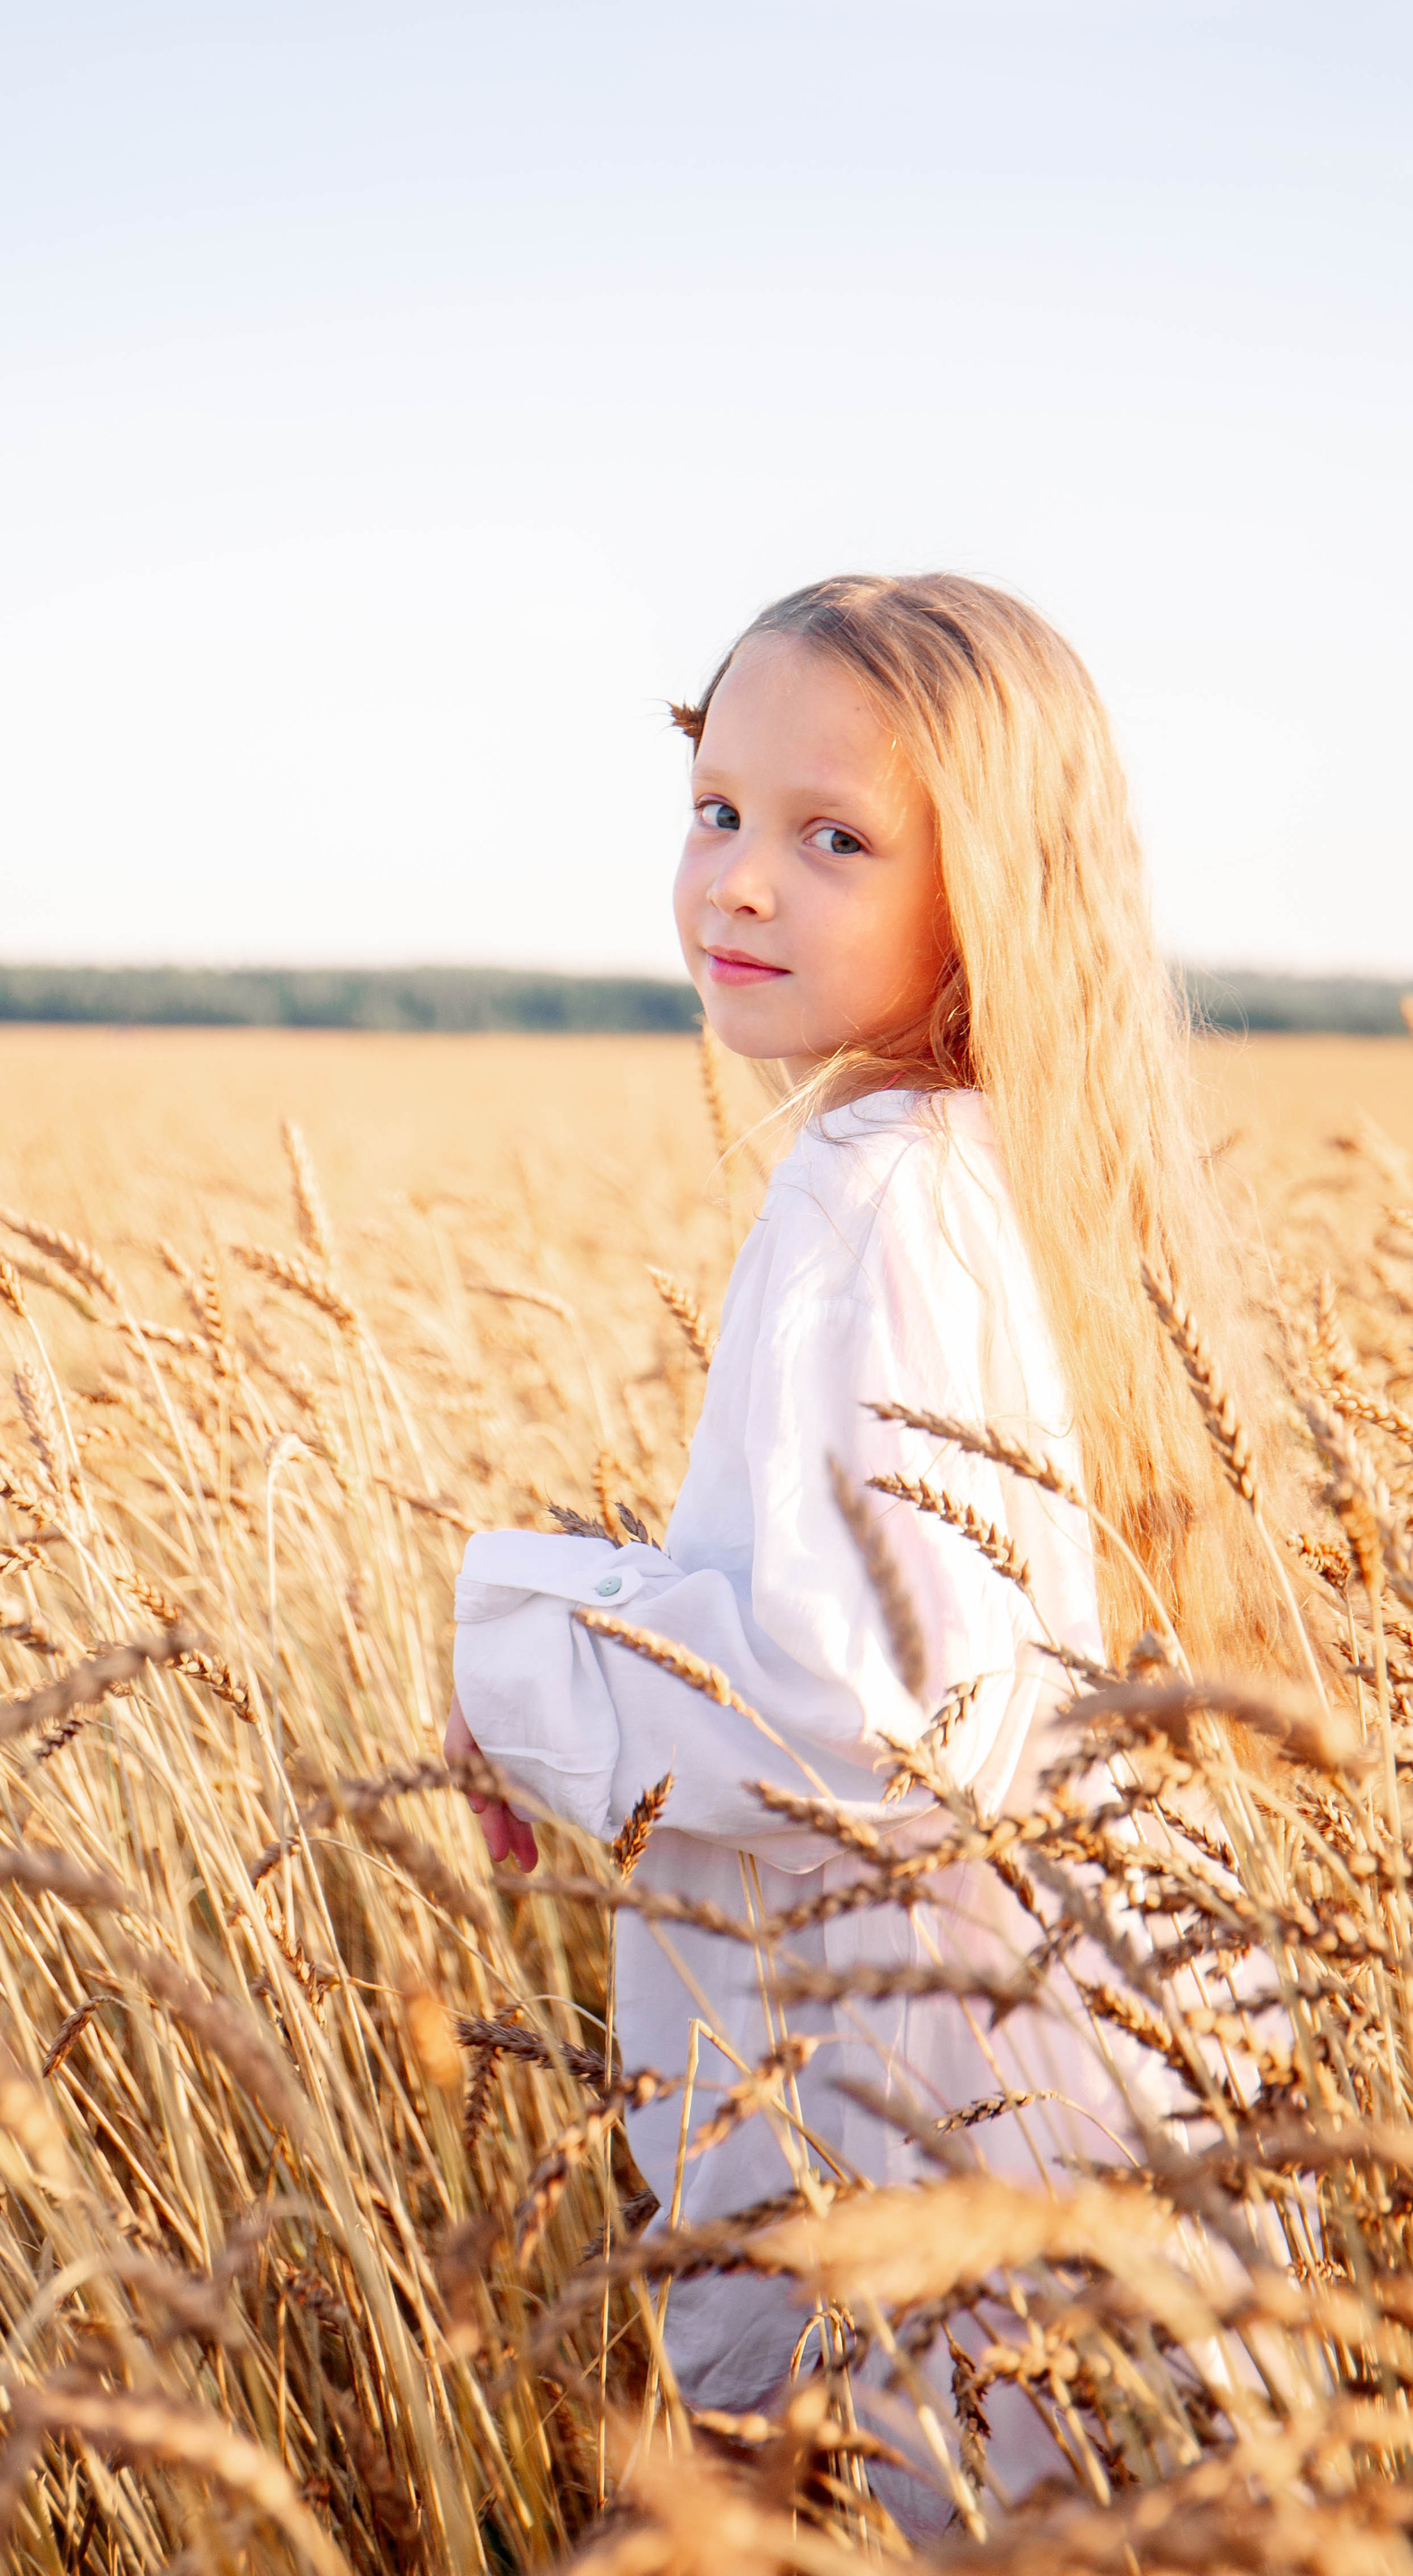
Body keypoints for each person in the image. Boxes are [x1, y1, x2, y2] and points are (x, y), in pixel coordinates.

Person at [443, 572, 1303, 2509]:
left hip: (936, 2108)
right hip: (1056, 2062)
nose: (739, 881)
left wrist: (516, 1649)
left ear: (987, 890)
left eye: (832, 838)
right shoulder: (1000, 1166)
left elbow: (863, 1711)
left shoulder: (874, 1185)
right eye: (716, 810)